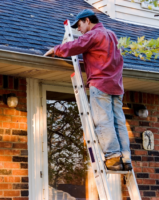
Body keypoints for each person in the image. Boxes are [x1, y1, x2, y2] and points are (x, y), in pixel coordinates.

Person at [44, 9, 132, 171]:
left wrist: (56, 50)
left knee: (103, 121)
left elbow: (77, 45)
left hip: (100, 84)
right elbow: (119, 60)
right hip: (116, 86)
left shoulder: (94, 34)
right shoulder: (111, 34)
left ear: (87, 21)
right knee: (118, 121)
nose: (78, 29)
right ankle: (125, 158)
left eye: (79, 25)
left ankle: (113, 157)